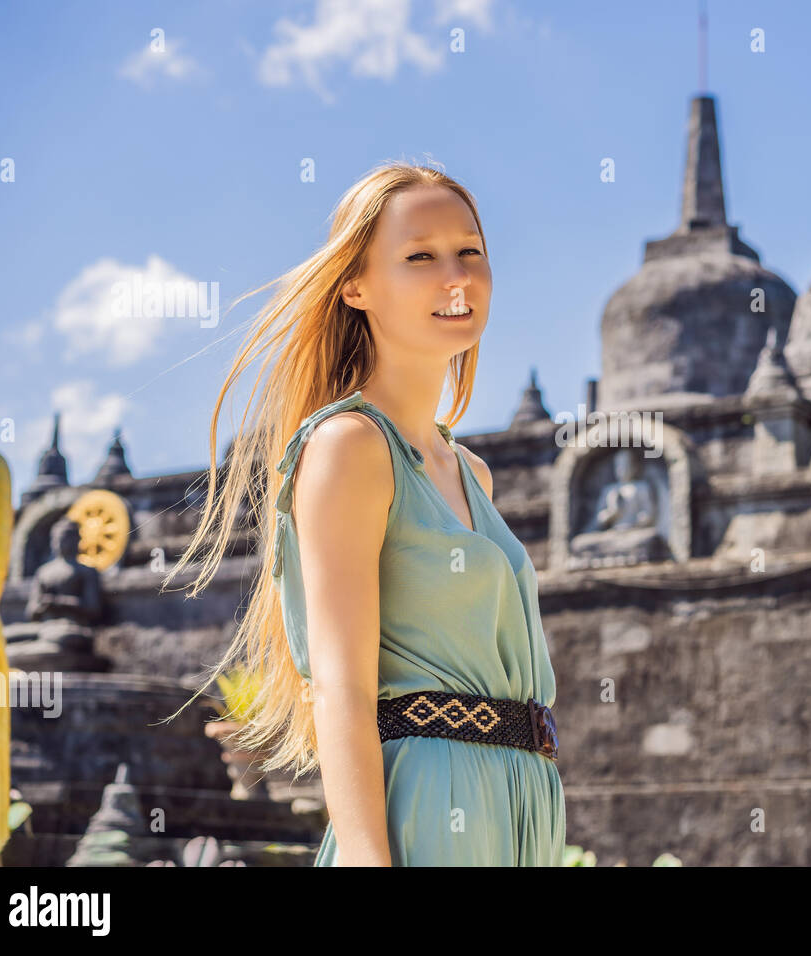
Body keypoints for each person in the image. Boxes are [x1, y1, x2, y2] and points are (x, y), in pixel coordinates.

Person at [161, 162, 564, 866]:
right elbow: (339, 689)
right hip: (434, 801)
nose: (456, 276)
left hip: (523, 801)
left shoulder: (472, 473)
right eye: (420, 256)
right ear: (356, 286)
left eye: (471, 251)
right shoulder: (349, 446)